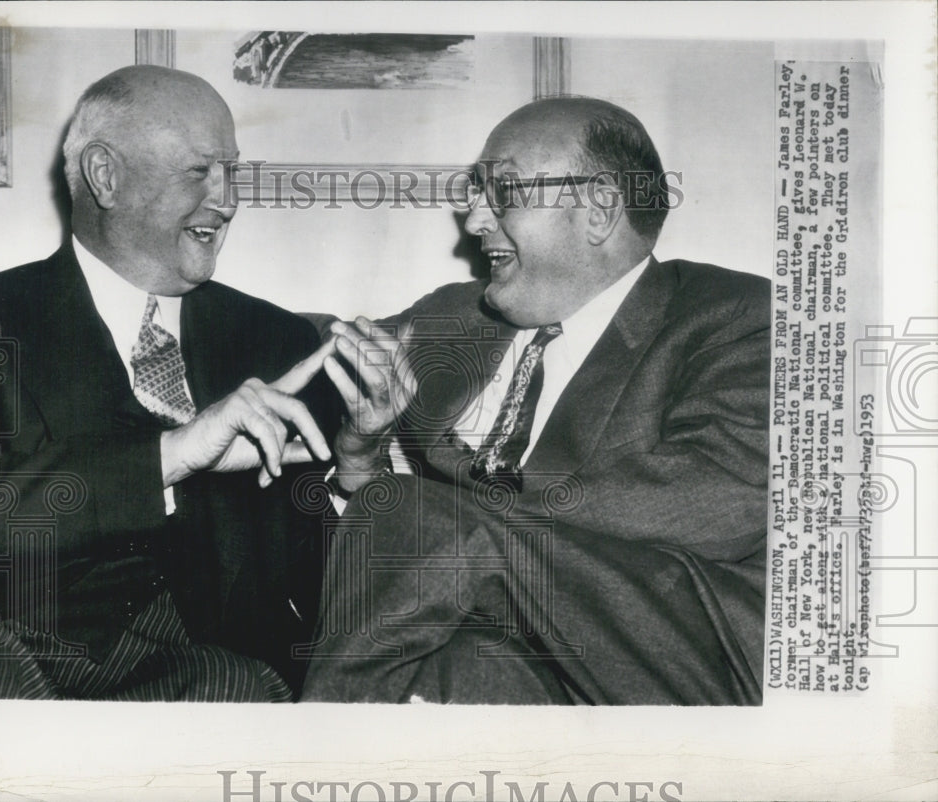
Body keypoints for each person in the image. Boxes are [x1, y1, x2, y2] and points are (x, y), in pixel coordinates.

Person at [302, 97, 771, 704]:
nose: (474, 221)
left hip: (670, 649)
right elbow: (301, 363)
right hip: (509, 638)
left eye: (505, 192)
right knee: (456, 667)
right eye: (476, 193)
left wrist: (454, 505)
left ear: (599, 209)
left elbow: (714, 503)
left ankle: (315, 756)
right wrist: (361, 460)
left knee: (414, 516)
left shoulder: (737, 318)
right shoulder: (454, 316)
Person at [0, 65, 344, 701]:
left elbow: (315, 571)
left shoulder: (282, 344)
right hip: (22, 678)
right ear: (104, 175)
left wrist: (357, 469)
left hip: (229, 689)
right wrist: (171, 454)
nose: (227, 199)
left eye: (232, 171)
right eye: (200, 171)